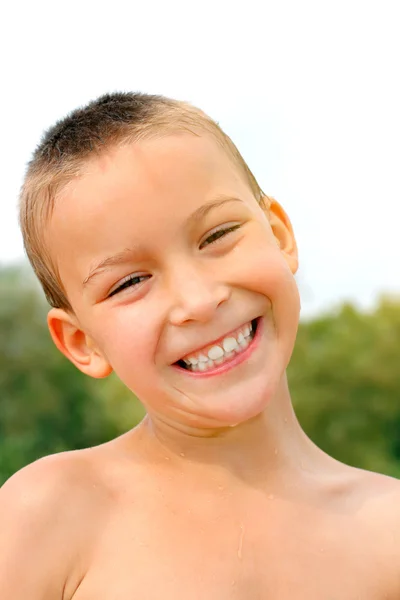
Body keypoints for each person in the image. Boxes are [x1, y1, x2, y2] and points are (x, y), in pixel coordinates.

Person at [0, 92, 399, 599]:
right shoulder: (50, 515)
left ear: (279, 235)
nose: (199, 301)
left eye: (218, 235)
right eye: (129, 283)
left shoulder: (389, 534)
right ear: (82, 343)